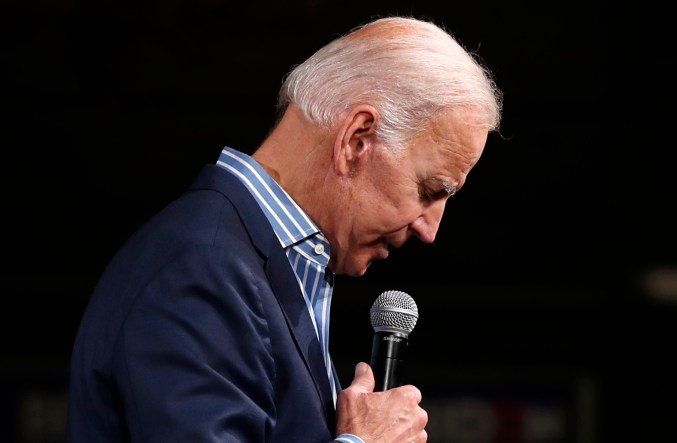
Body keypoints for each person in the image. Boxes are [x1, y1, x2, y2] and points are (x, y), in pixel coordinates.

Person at [67, 15, 502, 443]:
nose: (431, 230)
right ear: (357, 140)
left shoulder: (256, 261)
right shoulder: (202, 267)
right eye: (430, 189)